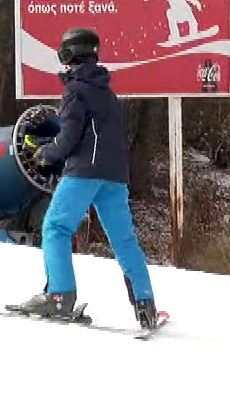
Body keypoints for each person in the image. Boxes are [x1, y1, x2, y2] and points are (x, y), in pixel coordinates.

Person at [10, 28, 159, 329]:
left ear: (70, 54)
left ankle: (59, 297)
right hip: (115, 177)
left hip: (85, 172)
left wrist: (46, 154)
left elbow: (69, 137)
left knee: (55, 227)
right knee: (124, 240)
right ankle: (146, 304)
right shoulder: (107, 92)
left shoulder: (76, 90)